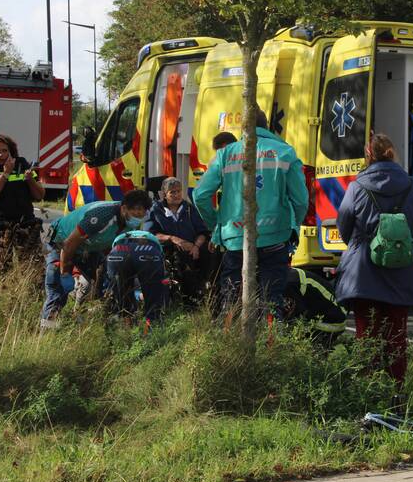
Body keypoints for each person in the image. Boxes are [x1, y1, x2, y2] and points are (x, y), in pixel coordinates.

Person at [193, 109, 308, 319]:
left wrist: (217, 224)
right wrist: (293, 226)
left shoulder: (226, 154)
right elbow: (300, 201)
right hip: (275, 237)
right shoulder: (285, 152)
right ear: (267, 126)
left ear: (243, 128)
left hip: (235, 239)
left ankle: (230, 346)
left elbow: (200, 195)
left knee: (231, 299)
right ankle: (270, 348)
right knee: (271, 300)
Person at [334, 133, 413, 388]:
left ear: (368, 156)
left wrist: (360, 243)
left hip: (364, 273)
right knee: (397, 336)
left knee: (367, 334)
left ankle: (368, 392)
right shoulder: (412, 185)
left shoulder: (357, 187)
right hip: (402, 269)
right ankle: (397, 393)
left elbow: (344, 224)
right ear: (392, 154)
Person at [40, 189, 153, 329]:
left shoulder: (133, 222)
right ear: (124, 208)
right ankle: (47, 330)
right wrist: (65, 273)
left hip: (90, 248)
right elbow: (68, 244)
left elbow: (114, 246)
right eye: (135, 210)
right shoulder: (102, 215)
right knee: (58, 290)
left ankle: (108, 323)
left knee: (113, 282)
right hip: (61, 243)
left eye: (142, 211)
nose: (138, 214)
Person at [0, 134, 44, 272]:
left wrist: (30, 179)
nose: (1, 154)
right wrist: (5, 174)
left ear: (10, 151)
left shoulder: (22, 164)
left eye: (4, 151)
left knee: (33, 267)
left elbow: (40, 195)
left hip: (25, 223)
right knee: (0, 269)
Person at [144, 176, 212, 308]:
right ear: (164, 194)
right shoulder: (156, 210)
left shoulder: (188, 209)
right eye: (172, 192)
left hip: (193, 247)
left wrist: (196, 246)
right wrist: (173, 239)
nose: (177, 195)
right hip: (171, 249)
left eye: (179, 191)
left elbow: (202, 232)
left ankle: (205, 290)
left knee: (208, 252)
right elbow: (150, 234)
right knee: (182, 258)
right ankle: (189, 301)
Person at [104, 229, 168, 326]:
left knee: (121, 295)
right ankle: (152, 326)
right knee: (153, 293)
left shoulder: (122, 236)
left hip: (118, 250)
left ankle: (125, 325)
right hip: (149, 251)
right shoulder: (151, 237)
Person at [282, 267, 347, 344]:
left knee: (292, 334)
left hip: (332, 322)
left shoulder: (288, 283)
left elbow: (299, 316)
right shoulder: (285, 274)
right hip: (330, 315)